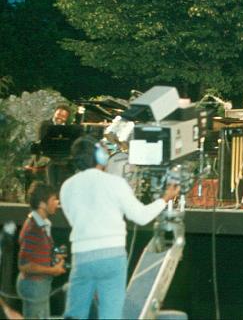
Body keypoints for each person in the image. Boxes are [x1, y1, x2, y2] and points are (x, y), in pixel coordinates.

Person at [59, 136, 179, 319]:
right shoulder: (115, 183)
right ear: (100, 157)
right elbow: (142, 217)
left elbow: (72, 220)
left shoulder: (66, 187)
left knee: (75, 314)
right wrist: (165, 198)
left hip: (81, 256)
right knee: (111, 315)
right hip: (112, 256)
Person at [16, 182, 65, 319]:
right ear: (42, 204)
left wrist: (56, 257)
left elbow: (38, 251)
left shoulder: (41, 224)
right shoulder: (34, 229)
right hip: (34, 287)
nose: (57, 202)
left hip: (39, 286)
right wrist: (53, 270)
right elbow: (24, 265)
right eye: (53, 199)